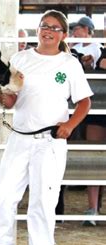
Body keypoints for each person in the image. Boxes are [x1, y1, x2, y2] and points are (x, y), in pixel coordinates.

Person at [0, 10, 92, 245]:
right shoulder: (20, 59)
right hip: (19, 138)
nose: (48, 31)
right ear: (38, 30)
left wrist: (69, 124)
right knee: (3, 197)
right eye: (44, 26)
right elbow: (11, 102)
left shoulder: (69, 63)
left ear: (62, 35)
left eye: (55, 28)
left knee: (43, 203)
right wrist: (0, 93)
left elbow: (84, 103)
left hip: (50, 141)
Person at [69, 17, 105, 225]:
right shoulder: (76, 49)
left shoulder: (97, 46)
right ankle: (92, 209)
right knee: (93, 155)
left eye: (78, 28)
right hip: (97, 109)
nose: (75, 32)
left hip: (96, 105)